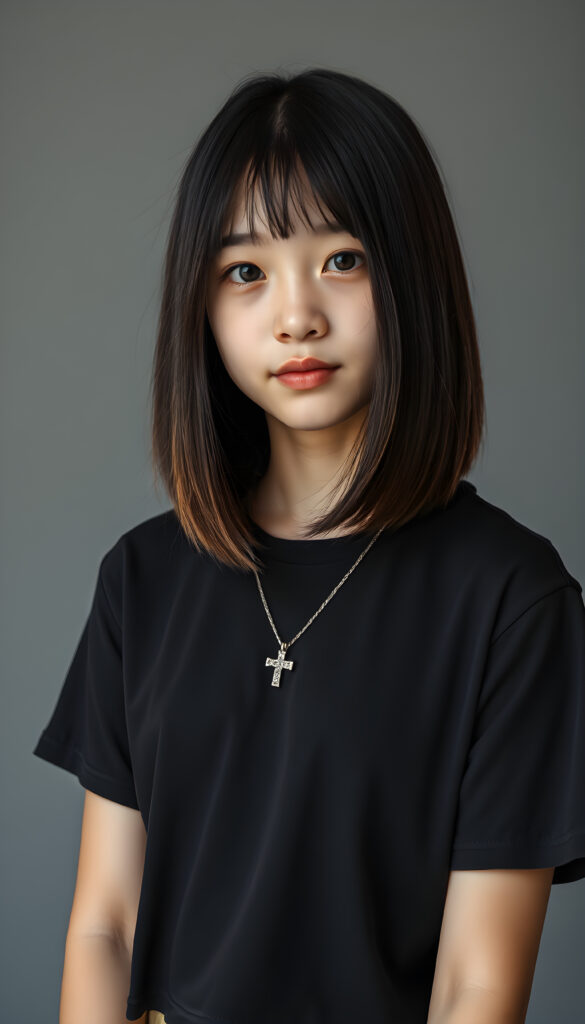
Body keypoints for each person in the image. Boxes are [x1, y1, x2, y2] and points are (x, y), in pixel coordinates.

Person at [33, 67, 585, 1024]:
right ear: (200, 309)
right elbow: (104, 926)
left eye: (343, 259)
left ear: (412, 271)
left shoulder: (511, 598)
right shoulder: (142, 578)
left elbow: (476, 987)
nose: (296, 316)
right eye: (244, 271)